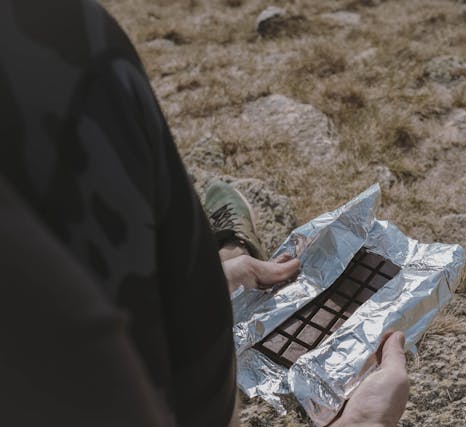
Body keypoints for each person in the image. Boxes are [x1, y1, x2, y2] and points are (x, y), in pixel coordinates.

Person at [0, 0, 409, 426]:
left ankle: (224, 259)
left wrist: (202, 283)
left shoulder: (59, 31)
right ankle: (225, 252)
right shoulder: (59, 36)